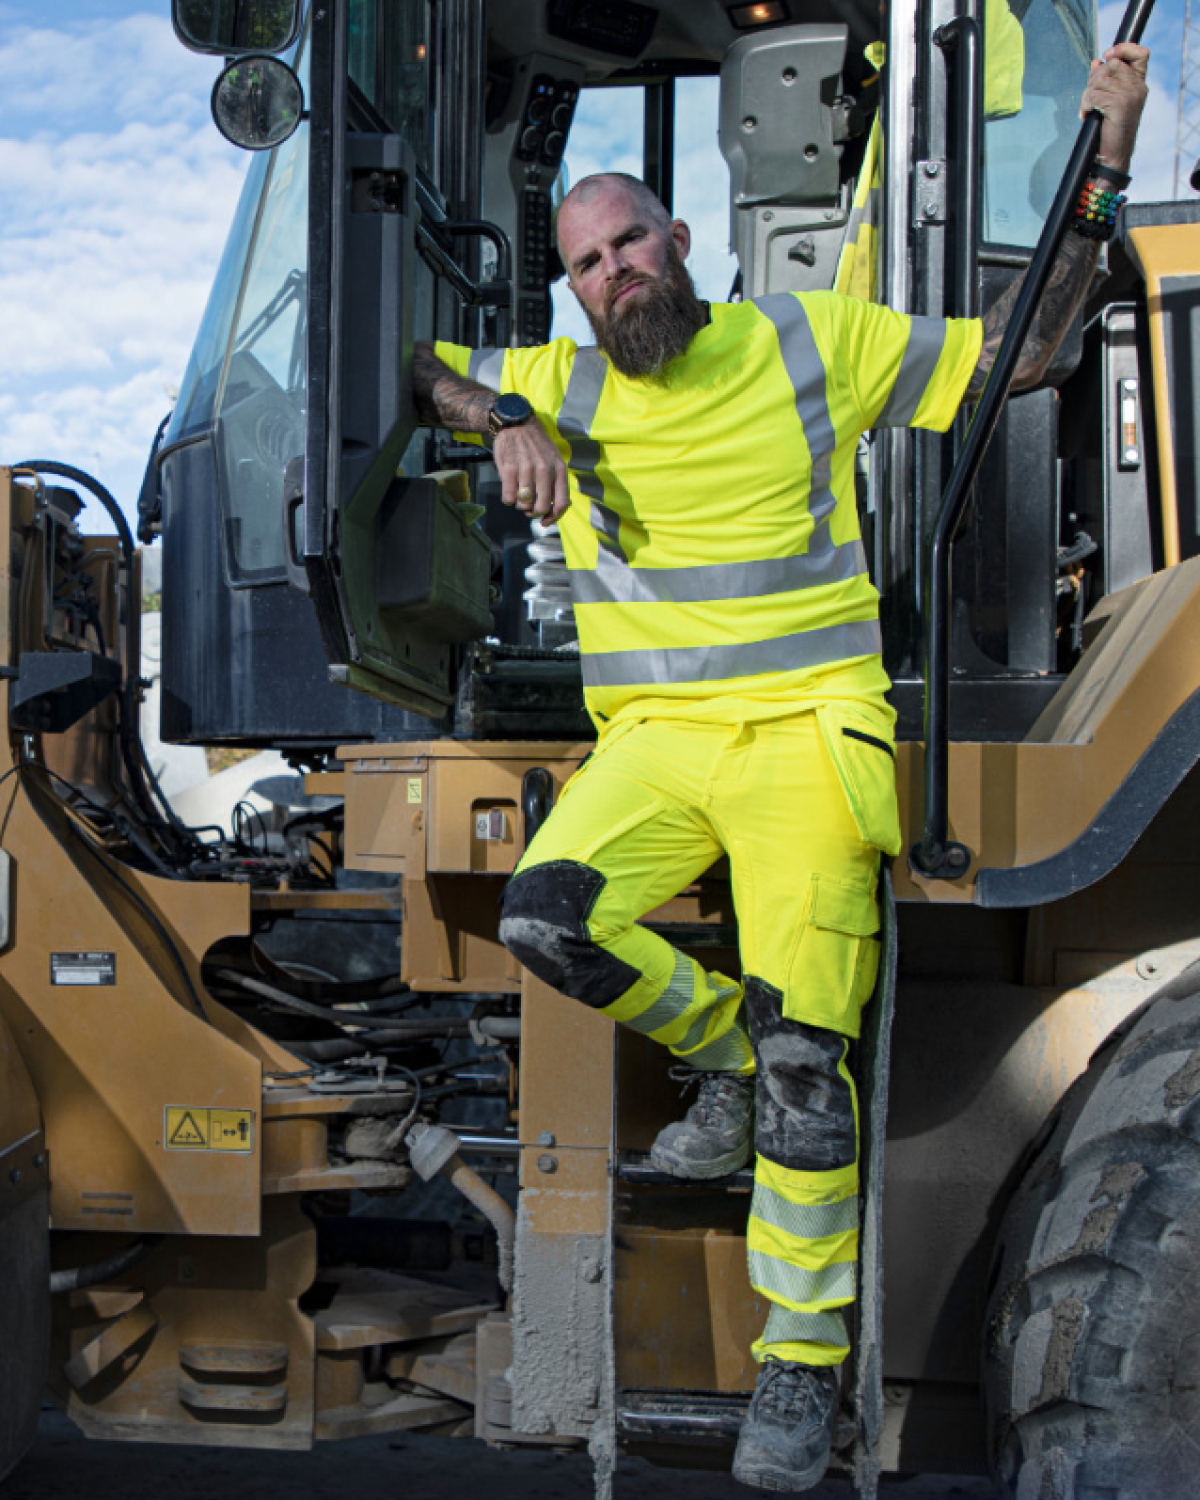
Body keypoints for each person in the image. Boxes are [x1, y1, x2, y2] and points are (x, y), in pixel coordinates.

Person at [412, 43, 1148, 1493]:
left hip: (811, 735)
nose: (615, 272)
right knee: (550, 918)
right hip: (661, 749)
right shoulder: (564, 381)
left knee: (821, 1071)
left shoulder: (814, 342)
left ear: (681, 245)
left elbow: (1029, 352)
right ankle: (727, 1054)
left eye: (631, 242)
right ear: (572, 291)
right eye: (588, 263)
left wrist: (1102, 163)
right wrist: (504, 417)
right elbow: (419, 368)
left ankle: (800, 1369)